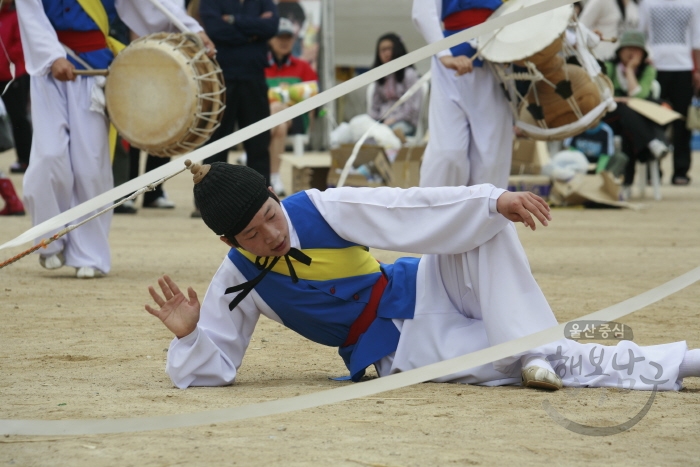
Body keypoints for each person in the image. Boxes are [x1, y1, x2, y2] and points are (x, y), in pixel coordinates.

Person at [145, 161, 700, 392]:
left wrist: (493, 199)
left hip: (426, 283)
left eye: (269, 216)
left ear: (273, 194)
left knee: (486, 225)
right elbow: (210, 370)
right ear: (227, 241)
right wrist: (190, 333)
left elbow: (408, 207)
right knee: (545, 357)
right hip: (399, 345)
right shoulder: (237, 276)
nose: (269, 236)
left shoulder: (318, 204)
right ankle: (687, 361)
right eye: (250, 235)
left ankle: (529, 348)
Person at [16, 0, 213, 278]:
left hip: (94, 67)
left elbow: (149, 4)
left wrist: (190, 29)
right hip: (49, 71)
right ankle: (50, 240)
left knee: (90, 166)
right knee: (49, 157)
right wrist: (51, 57)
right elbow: (30, 15)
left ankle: (90, 255)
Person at [412, 0, 513, 190]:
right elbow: (422, 11)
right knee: (447, 155)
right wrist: (444, 54)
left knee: (490, 160)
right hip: (450, 67)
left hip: (497, 62)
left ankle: (485, 217)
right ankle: (434, 214)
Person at [197, 0, 278, 182]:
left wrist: (233, 20)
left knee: (259, 144)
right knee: (216, 145)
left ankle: (262, 198)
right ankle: (211, 201)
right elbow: (215, 30)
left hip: (254, 78)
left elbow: (271, 27)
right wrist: (253, 33)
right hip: (222, 80)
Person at [640, 0, 700, 185]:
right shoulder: (646, 3)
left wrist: (697, 70)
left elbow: (696, 38)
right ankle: (652, 169)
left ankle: (680, 171)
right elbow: (641, 34)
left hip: (683, 67)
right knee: (653, 118)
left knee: (682, 121)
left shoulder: (693, 2)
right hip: (655, 67)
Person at [603, 30, 670, 186]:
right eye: (628, 48)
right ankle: (653, 142)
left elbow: (639, 97)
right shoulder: (608, 67)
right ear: (620, 51)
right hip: (610, 118)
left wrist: (630, 70)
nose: (632, 52)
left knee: (630, 129)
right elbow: (603, 97)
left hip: (631, 124)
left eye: (636, 49)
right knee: (624, 108)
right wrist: (623, 100)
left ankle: (627, 182)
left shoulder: (648, 70)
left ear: (643, 53)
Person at [265, 17, 318, 196]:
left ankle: (253, 154)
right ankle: (274, 176)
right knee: (278, 123)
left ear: (294, 40)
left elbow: (315, 96)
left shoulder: (303, 67)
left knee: (277, 109)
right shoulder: (261, 65)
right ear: (271, 39)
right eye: (280, 37)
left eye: (288, 37)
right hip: (269, 120)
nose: (284, 42)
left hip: (296, 119)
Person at [369, 33, 422, 140]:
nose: (386, 53)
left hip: (403, 123)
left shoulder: (409, 74)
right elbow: (374, 107)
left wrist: (393, 119)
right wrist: (378, 121)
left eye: (389, 49)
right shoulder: (380, 77)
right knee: (360, 127)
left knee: (390, 133)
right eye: (382, 50)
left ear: (397, 49)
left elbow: (412, 108)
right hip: (382, 123)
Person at [0, 0, 32, 175]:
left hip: (14, 76)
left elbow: (20, 46)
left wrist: (5, 61)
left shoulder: (16, 15)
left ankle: (25, 159)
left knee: (18, 118)